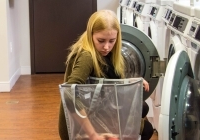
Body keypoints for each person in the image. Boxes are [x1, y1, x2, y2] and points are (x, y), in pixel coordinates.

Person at [58, 10, 152, 140]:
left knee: (142, 107)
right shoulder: (87, 56)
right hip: (78, 126)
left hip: (95, 107)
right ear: (90, 34)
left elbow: (106, 81)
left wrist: (131, 82)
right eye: (101, 40)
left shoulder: (107, 52)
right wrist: (93, 135)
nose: (107, 47)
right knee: (146, 129)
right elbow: (69, 93)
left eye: (112, 41)